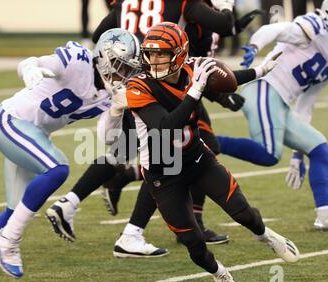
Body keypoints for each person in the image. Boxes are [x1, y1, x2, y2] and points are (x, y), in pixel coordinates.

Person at [45, 0, 249, 255]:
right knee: (166, 159)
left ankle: (73, 201)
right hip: (157, 83)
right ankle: (134, 231)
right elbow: (223, 24)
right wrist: (227, 7)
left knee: (130, 151)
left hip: (133, 79)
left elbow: (101, 36)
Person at [0, 28, 141, 282]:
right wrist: (31, 70)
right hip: (11, 120)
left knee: (16, 208)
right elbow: (31, 63)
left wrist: (117, 110)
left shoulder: (110, 93)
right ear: (105, 56)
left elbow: (107, 138)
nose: (125, 75)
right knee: (57, 169)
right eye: (122, 66)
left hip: (34, 134)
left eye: (129, 70)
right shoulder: (79, 61)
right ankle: (8, 241)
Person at [124, 21, 299, 282]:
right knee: (193, 242)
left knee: (243, 212)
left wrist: (259, 71)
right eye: (150, 54)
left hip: (197, 158)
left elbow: (224, 79)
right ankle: (221, 275)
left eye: (162, 54)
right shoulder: (137, 85)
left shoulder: (194, 68)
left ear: (179, 54)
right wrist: (195, 91)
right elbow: (165, 126)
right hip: (163, 173)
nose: (154, 60)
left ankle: (265, 234)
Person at [217, 1, 328, 229]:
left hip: (280, 102)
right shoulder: (314, 27)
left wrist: (299, 154)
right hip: (265, 88)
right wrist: (255, 47)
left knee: (319, 149)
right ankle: (205, 142)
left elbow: (305, 107)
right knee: (269, 154)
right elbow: (273, 29)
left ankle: (325, 215)